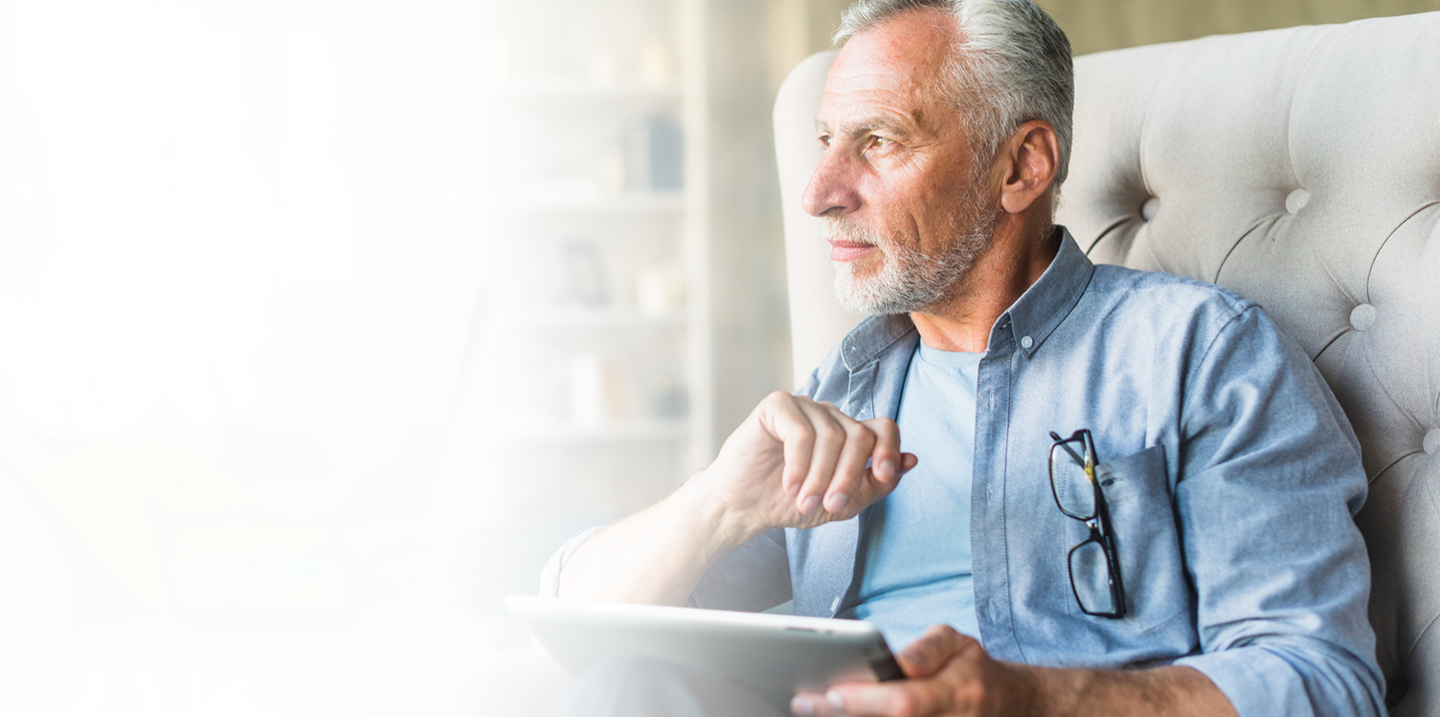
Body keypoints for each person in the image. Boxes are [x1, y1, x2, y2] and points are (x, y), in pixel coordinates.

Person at [541, 1, 1385, 715]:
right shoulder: (847, 383)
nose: (819, 192)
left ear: (1022, 167)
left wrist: (1036, 699)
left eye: (878, 142)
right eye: (827, 139)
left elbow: (1321, 677)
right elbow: (581, 622)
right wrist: (718, 500)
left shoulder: (1200, 356)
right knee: (628, 681)